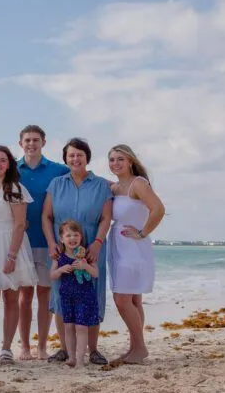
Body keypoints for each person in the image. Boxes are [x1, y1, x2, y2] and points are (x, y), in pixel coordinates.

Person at [42, 138, 113, 365]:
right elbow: (46, 216)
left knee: (92, 295)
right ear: (66, 158)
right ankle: (65, 349)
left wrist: (97, 243)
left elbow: (106, 218)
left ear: (87, 157)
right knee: (60, 296)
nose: (75, 159)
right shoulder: (56, 184)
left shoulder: (101, 185)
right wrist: (51, 243)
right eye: (71, 155)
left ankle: (93, 350)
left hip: (92, 244)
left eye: (79, 155)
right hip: (61, 245)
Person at [0, 145, 38, 366]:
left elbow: (20, 224)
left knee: (11, 298)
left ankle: (6, 349)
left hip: (11, 245)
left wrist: (11, 256)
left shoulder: (15, 188)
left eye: (3, 160)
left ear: (9, 164)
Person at [13, 125, 69, 361]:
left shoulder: (58, 169)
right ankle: (25, 347)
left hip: (49, 242)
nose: (31, 144)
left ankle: (43, 346)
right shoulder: (11, 169)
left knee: (45, 295)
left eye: (36, 140)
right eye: (27, 140)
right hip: (21, 242)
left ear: (43, 142)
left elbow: (83, 175)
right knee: (24, 296)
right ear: (21, 143)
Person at [108, 144, 165, 364]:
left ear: (130, 161)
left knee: (122, 299)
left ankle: (140, 348)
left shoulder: (138, 183)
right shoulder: (114, 187)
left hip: (133, 248)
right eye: (112, 160)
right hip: (118, 246)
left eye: (120, 159)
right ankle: (135, 348)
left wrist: (142, 232)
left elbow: (158, 209)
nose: (115, 163)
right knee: (133, 299)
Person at [50, 220, 100, 367]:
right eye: (68, 235)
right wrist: (60, 270)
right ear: (62, 239)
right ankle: (71, 357)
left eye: (76, 235)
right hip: (67, 297)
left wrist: (85, 266)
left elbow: (96, 274)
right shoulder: (59, 257)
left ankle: (80, 360)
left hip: (84, 296)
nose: (72, 238)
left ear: (81, 237)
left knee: (81, 327)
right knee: (68, 327)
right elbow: (52, 275)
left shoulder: (86, 255)